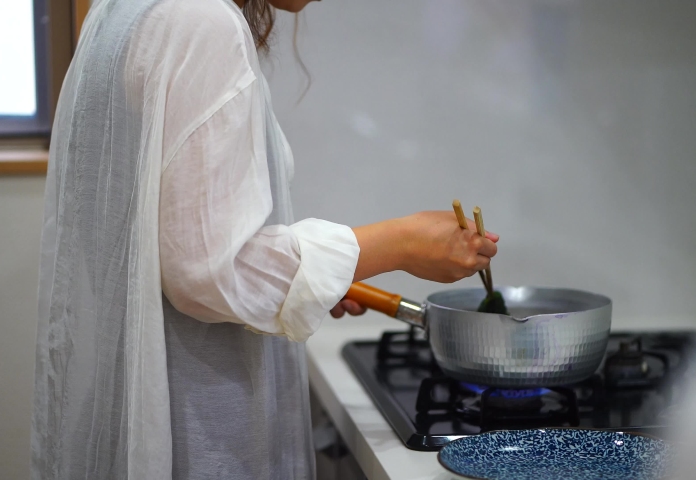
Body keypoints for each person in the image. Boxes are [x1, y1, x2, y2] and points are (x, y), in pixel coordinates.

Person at [31, 0, 498, 478]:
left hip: (133, 404)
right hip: (195, 431)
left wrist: (322, 279)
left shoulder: (124, 9)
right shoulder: (200, 22)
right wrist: (400, 244)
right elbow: (206, 272)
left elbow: (153, 243)